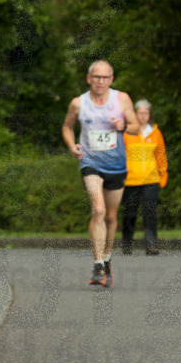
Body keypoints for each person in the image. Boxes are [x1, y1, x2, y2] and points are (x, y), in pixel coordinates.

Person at [61, 60, 140, 286]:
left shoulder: (121, 99)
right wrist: (71, 145)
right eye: (97, 77)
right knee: (98, 210)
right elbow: (67, 126)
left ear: (111, 80)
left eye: (105, 77)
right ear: (89, 79)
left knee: (111, 217)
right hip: (90, 161)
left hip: (116, 165)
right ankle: (97, 264)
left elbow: (135, 125)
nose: (101, 81)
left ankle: (107, 258)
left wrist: (122, 126)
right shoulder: (79, 103)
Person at [121, 99, 168, 255]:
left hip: (151, 179)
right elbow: (119, 155)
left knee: (150, 211)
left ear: (149, 115)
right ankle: (127, 244)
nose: (143, 116)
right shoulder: (126, 132)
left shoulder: (155, 133)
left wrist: (163, 175)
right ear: (135, 114)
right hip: (130, 179)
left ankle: (151, 245)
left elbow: (160, 155)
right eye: (140, 112)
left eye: (146, 113)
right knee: (130, 212)